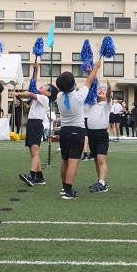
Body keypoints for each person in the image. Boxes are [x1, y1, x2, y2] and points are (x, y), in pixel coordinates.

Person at [55, 60, 100, 199]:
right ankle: (68, 190)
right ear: (73, 84)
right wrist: (96, 68)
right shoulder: (78, 96)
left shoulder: (59, 96)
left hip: (64, 131)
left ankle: (64, 186)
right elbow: (89, 81)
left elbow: (85, 82)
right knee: (74, 160)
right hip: (77, 130)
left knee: (65, 160)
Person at [86, 80, 113, 193]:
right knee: (96, 160)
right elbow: (90, 88)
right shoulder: (92, 103)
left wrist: (109, 88)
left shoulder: (106, 104)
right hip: (91, 134)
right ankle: (100, 181)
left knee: (101, 159)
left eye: (104, 90)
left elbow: (108, 97)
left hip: (101, 134)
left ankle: (102, 183)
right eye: (100, 90)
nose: (101, 91)